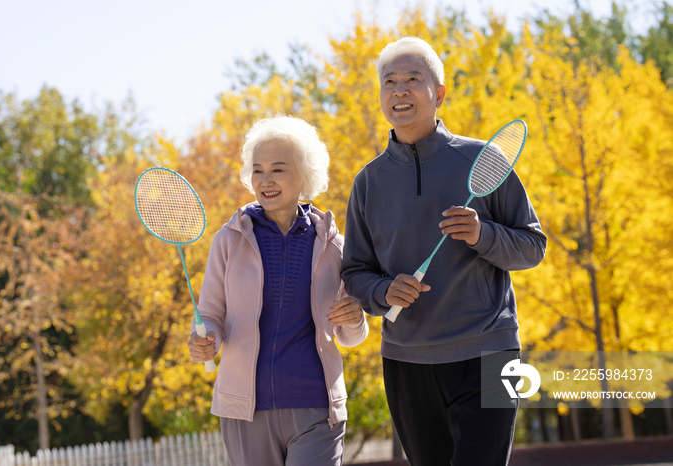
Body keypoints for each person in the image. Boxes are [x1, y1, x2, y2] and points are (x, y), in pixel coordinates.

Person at [340, 37, 547, 466]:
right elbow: (355, 271)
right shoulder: (368, 183)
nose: (399, 90)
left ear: (439, 94)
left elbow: (532, 247)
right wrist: (383, 292)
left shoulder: (484, 160)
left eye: (413, 80)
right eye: (389, 82)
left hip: (491, 351)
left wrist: (481, 234)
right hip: (406, 359)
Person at [188, 115, 369, 466]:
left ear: (305, 174)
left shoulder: (335, 246)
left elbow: (350, 336)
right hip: (246, 411)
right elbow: (210, 315)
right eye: (258, 171)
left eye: (278, 170)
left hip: (317, 407)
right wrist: (204, 339)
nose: (265, 180)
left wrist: (355, 316)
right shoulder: (229, 240)